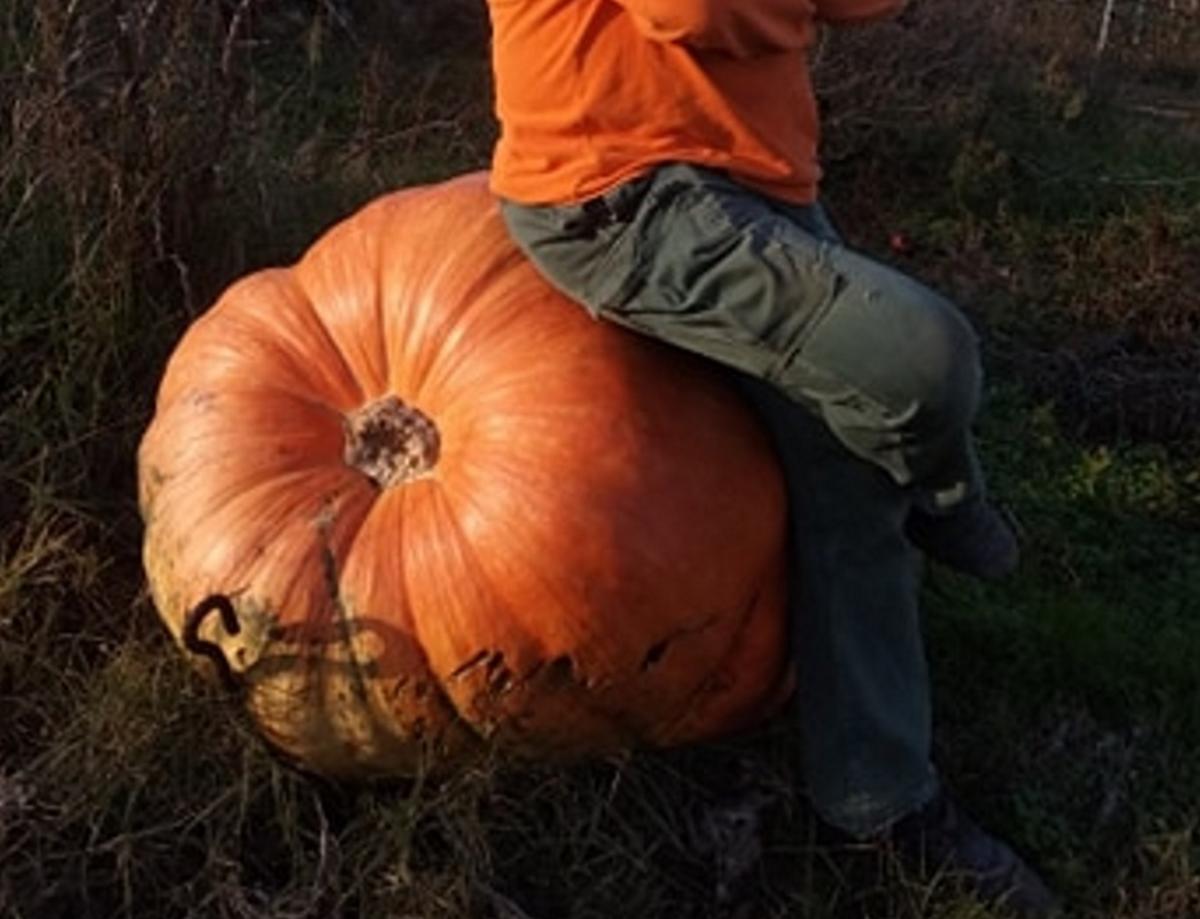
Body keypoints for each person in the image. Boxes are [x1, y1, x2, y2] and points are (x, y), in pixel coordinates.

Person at [483, 0, 1058, 913]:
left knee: (852, 463)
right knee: (925, 360)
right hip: (619, 193)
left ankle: (879, 799)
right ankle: (947, 487)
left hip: (755, 180)